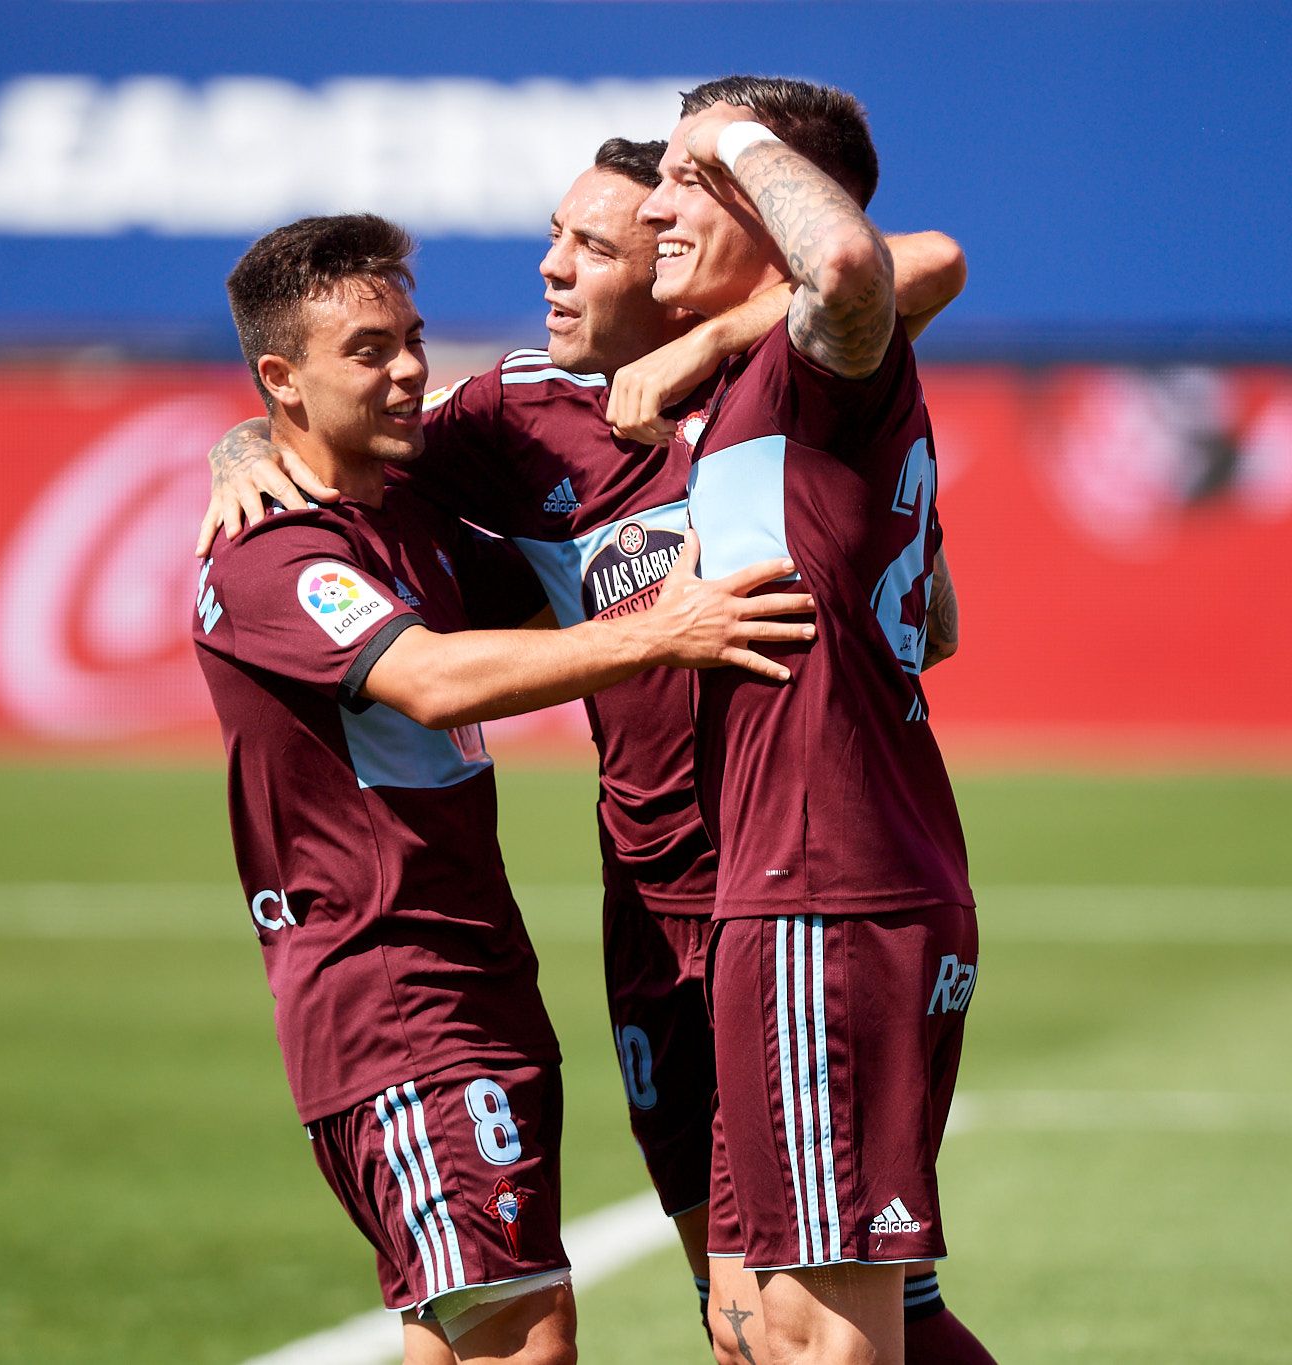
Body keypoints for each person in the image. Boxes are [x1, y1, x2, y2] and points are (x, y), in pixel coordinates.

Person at [198, 139, 971, 1365]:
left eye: (592, 247)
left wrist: (714, 342)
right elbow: (329, 438)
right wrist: (241, 447)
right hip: (653, 915)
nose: (551, 270)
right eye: (553, 238)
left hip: (794, 890)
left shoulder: (791, 370)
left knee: (812, 1324)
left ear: (674, 266)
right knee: (746, 1325)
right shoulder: (519, 413)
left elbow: (915, 262)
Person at [636, 77, 995, 1365]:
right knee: (776, 1328)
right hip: (825, 882)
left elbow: (850, 259)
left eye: (685, 180)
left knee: (818, 1342)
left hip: (821, 889)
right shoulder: (777, 380)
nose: (656, 208)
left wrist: (733, 139)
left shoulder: (811, 362)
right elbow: (933, 621)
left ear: (767, 191)